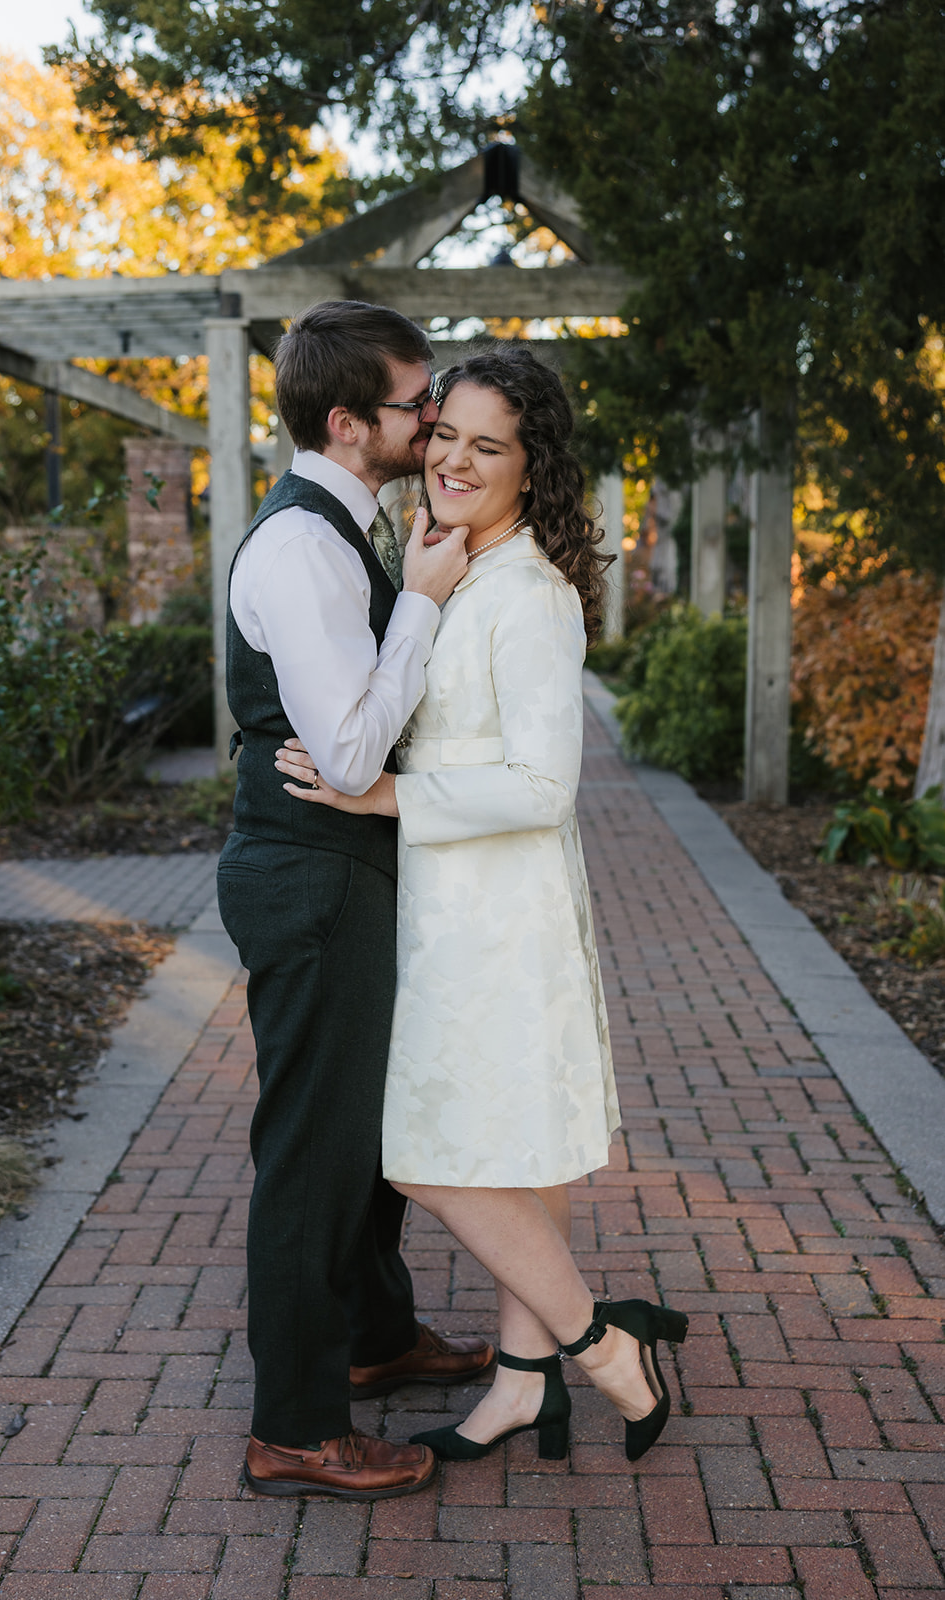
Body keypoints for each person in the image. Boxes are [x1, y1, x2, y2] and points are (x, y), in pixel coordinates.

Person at [276, 346, 689, 1466]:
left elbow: (544, 787)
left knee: (428, 1155)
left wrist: (385, 792)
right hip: (446, 902)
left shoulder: (528, 596)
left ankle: (601, 1348)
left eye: (486, 444)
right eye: (444, 432)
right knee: (513, 1144)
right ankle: (519, 1383)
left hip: (500, 916)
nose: (453, 457)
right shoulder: (451, 565)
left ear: (528, 464)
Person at [217, 300, 496, 1503]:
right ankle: (293, 1425)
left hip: (345, 872)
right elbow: (343, 757)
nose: (432, 419)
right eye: (414, 402)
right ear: (346, 421)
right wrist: (425, 602)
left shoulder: (351, 525)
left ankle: (378, 1338)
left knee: (367, 1140)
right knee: (316, 1151)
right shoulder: (302, 548)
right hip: (313, 876)